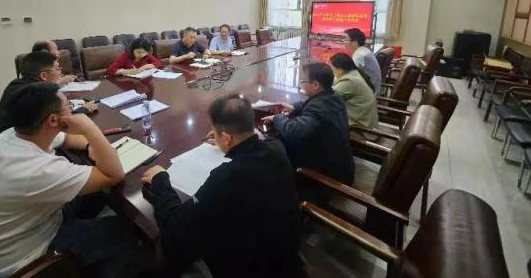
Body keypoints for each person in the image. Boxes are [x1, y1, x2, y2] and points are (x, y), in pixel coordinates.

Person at [0, 83, 149, 278]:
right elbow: (114, 175)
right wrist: (90, 129)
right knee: (125, 229)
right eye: (68, 107)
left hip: (4, 237)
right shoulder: (37, 170)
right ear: (53, 120)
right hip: (5, 267)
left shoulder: (15, 134)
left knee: (96, 193)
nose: (73, 110)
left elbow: (68, 139)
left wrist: (90, 146)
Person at [141, 94, 301, 278]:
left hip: (250, 267)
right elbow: (261, 141)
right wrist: (230, 144)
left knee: (174, 247)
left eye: (215, 132)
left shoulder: (226, 177)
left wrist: (161, 180)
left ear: (226, 138)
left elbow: (176, 228)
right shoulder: (278, 151)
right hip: (287, 256)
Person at [0, 51, 98, 161]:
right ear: (43, 76)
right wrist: (83, 110)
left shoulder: (18, 86)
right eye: (57, 68)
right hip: (4, 158)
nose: (61, 73)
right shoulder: (33, 97)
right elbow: (55, 122)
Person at [262, 62, 355, 194]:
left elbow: (293, 131)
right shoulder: (334, 97)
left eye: (303, 81)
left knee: (276, 146)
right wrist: (294, 107)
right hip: (342, 166)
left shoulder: (317, 108)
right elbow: (311, 104)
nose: (301, 84)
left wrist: (277, 118)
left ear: (315, 85)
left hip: (327, 179)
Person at [329, 53, 379, 136]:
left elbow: (327, 97)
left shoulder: (350, 81)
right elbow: (335, 80)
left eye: (332, 68)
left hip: (360, 129)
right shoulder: (354, 73)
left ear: (340, 69)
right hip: (365, 122)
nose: (331, 71)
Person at [344, 28, 382, 94]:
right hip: (371, 86)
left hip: (370, 91)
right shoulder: (364, 50)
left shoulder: (360, 56)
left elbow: (348, 74)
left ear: (355, 42)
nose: (344, 41)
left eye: (346, 39)